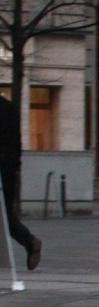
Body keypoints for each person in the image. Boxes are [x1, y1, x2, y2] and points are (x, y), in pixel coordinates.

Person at [0, 94, 40, 269]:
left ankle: (29, 240)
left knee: (4, 215)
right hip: (8, 168)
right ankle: (29, 241)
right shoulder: (10, 108)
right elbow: (17, 141)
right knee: (4, 213)